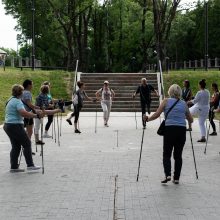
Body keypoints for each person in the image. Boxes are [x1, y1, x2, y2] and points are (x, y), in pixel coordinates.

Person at [144, 84, 193, 184]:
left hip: (169, 129)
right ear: (179, 92)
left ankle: (168, 175)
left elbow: (157, 114)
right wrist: (189, 124)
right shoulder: (183, 103)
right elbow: (191, 119)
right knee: (178, 155)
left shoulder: (166, 101)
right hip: (181, 131)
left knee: (167, 154)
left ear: (170, 92)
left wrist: (147, 119)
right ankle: (176, 178)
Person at [3, 84, 43, 172]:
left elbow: (22, 112)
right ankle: (30, 165)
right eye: (22, 91)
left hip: (8, 125)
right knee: (27, 144)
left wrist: (33, 112)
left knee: (16, 146)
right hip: (15, 125)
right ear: (20, 92)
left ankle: (13, 167)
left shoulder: (11, 99)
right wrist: (36, 115)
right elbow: (23, 113)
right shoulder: (17, 101)